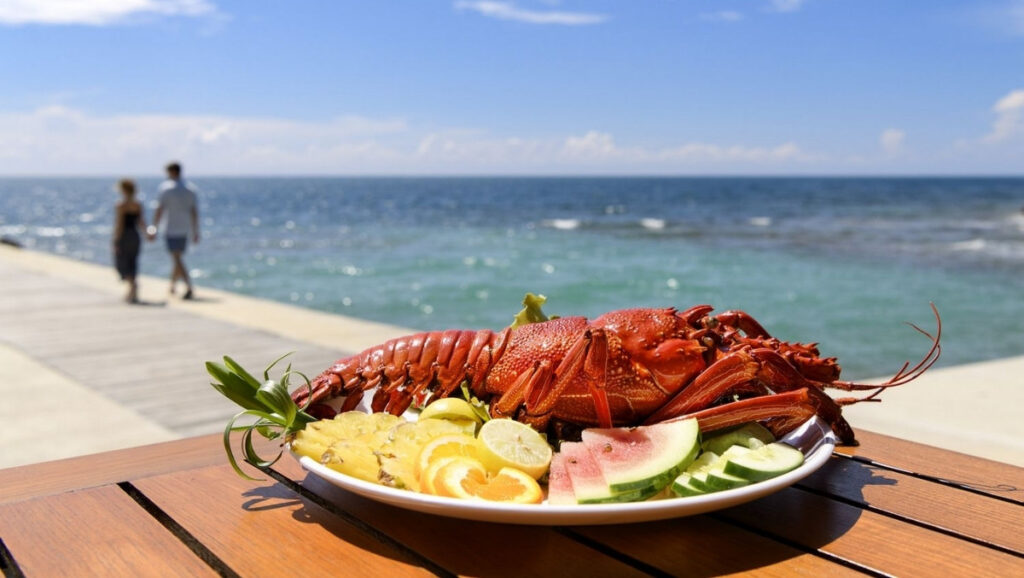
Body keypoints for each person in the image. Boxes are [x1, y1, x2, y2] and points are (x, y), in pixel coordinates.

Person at [150, 162, 200, 299]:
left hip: (170, 228)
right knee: (177, 257)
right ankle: (172, 286)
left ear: (171, 172)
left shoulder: (166, 188)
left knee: (176, 258)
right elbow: (194, 212)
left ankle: (189, 286)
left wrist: (153, 227)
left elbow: (159, 209)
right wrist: (196, 231)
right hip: (185, 228)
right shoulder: (190, 189)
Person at [113, 179, 148, 303]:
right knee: (133, 262)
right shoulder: (137, 204)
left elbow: (119, 225)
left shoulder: (121, 205)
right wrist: (147, 234)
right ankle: (132, 290)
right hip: (135, 235)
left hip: (125, 236)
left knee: (122, 262)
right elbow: (142, 222)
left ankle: (132, 287)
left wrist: (115, 241)